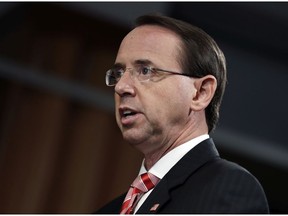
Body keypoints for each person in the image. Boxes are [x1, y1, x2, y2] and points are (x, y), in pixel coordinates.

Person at [96, 13, 269, 214]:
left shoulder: (228, 188)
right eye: (118, 73)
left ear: (200, 93)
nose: (121, 87)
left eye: (145, 71)